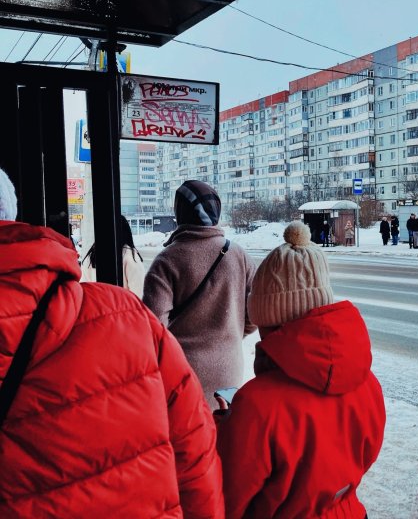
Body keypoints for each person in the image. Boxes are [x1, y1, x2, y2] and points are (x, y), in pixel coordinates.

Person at [0, 169, 223, 516]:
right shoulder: (128, 315)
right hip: (189, 368)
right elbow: (195, 457)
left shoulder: (164, 262)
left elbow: (159, 310)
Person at [215, 221, 385, 519]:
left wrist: (226, 428)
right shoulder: (367, 383)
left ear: (271, 319)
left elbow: (229, 497)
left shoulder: (257, 404)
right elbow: (364, 457)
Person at [143, 180, 257, 406]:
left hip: (182, 376)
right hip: (229, 372)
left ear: (180, 212)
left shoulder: (167, 260)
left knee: (189, 428)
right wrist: (232, 333)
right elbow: (256, 311)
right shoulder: (238, 255)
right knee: (223, 425)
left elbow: (153, 329)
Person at [80, 214, 145, 298]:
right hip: (123, 305)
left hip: (97, 305)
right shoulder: (130, 257)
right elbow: (139, 294)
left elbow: (84, 290)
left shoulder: (92, 257)